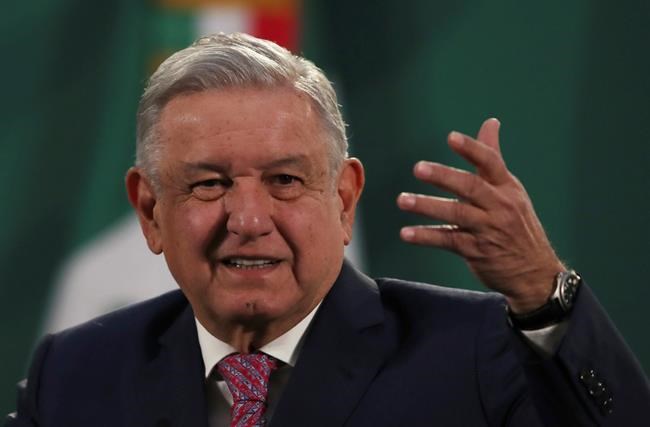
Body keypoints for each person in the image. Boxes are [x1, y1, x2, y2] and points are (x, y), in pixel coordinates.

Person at [5, 32, 649, 427]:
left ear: (344, 201)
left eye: (285, 180)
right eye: (209, 184)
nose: (248, 220)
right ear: (150, 211)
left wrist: (543, 290)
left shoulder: (473, 353)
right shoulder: (76, 373)